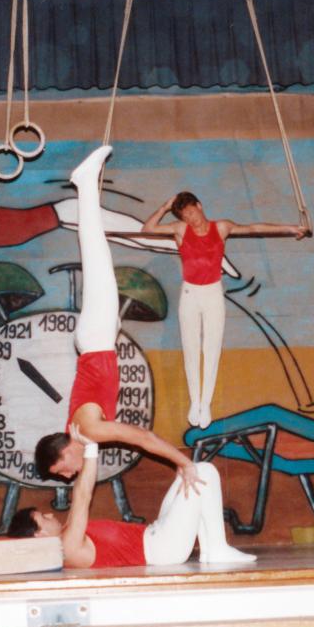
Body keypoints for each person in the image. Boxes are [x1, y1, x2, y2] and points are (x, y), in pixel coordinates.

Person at [33, 147, 201, 491]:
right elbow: (89, 464)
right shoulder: (82, 435)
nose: (67, 476)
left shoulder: (88, 430)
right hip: (98, 340)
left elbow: (142, 437)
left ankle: (84, 183)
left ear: (63, 454)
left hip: (96, 340)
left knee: (96, 252)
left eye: (61, 471)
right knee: (97, 256)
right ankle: (85, 185)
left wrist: (184, 463)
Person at [0, 199, 241, 329]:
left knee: (139, 235)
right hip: (63, 217)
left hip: (66, 213)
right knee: (135, 237)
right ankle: (209, 251)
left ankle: (212, 250)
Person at [141, 192, 307, 428]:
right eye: (185, 216)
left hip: (212, 293)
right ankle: (194, 401)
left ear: (199, 206)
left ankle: (205, 403)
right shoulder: (180, 229)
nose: (190, 218)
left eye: (191, 212)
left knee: (211, 348)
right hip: (190, 293)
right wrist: (165, 206)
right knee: (191, 348)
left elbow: (254, 228)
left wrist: (290, 229)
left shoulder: (221, 228)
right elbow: (147, 229)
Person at [9, 426, 254, 568]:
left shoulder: (67, 533)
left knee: (191, 474)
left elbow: (79, 495)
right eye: (42, 518)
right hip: (162, 549)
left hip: (157, 535)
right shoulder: (67, 548)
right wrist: (91, 447)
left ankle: (212, 552)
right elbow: (82, 495)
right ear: (39, 535)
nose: (49, 513)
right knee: (204, 472)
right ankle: (218, 549)